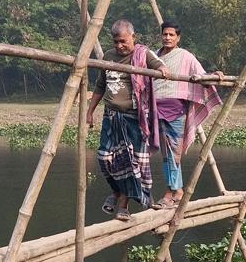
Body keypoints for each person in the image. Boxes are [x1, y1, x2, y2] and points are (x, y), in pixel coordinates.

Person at [86, 20, 169, 221]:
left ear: (133, 37)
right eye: (116, 42)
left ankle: (123, 206)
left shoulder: (142, 54)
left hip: (134, 118)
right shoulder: (108, 56)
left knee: (131, 164)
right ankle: (115, 193)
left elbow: (160, 66)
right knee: (105, 159)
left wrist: (162, 70)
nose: (119, 46)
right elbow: (99, 86)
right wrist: (89, 112)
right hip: (111, 117)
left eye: (123, 41)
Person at [150, 21, 223, 209]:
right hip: (156, 109)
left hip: (175, 110)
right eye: (165, 34)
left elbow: (201, 75)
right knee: (166, 153)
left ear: (178, 38)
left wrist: (213, 75)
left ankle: (170, 191)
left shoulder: (185, 56)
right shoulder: (154, 57)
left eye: (171, 35)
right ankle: (178, 191)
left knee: (173, 152)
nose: (167, 38)